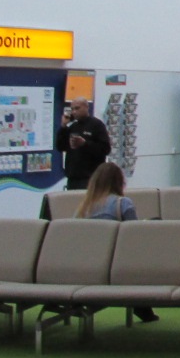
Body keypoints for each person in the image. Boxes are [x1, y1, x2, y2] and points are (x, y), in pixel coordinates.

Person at [75, 163, 158, 323]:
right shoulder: (123, 203)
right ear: (119, 182)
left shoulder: (83, 208)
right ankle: (142, 307)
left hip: (89, 264)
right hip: (118, 266)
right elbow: (134, 237)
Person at [56, 98, 111, 190]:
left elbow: (105, 149)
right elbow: (60, 147)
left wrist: (85, 144)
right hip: (73, 178)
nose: (74, 112)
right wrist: (63, 127)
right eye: (72, 109)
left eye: (77, 108)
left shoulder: (97, 125)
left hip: (91, 177)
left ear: (86, 107)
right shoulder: (73, 127)